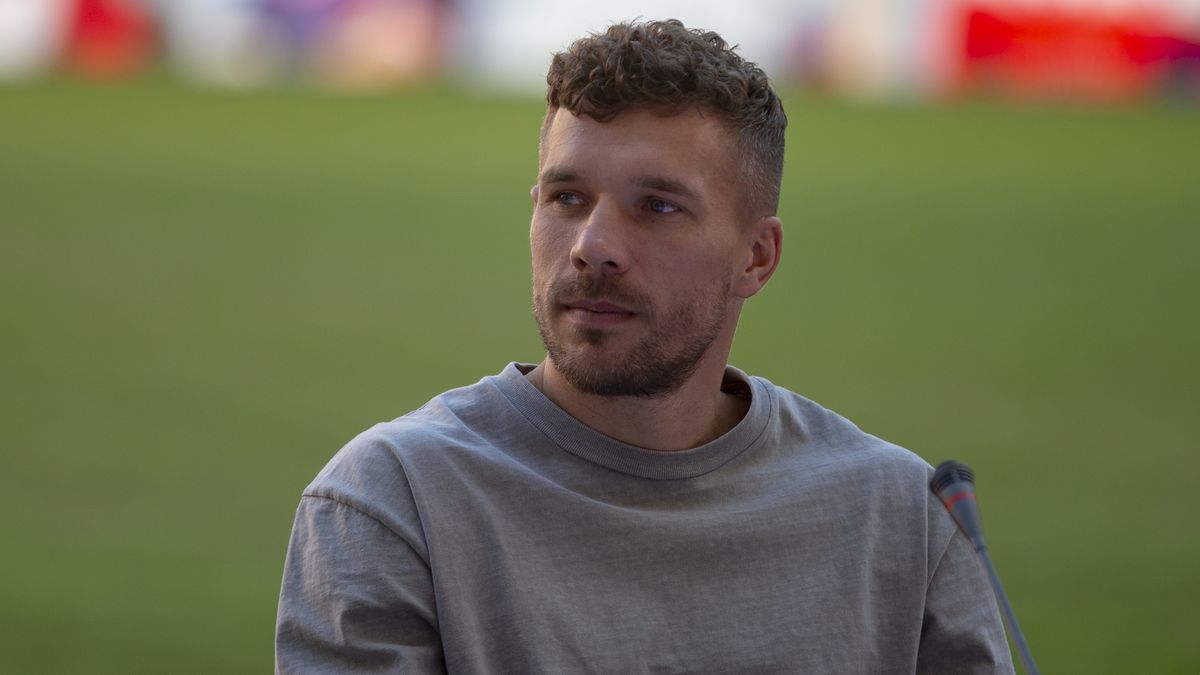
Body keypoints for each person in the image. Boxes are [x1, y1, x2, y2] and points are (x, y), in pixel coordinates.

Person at [275, 19, 1014, 674]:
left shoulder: (900, 519)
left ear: (757, 257)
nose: (592, 247)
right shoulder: (396, 499)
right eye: (567, 198)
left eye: (657, 207)